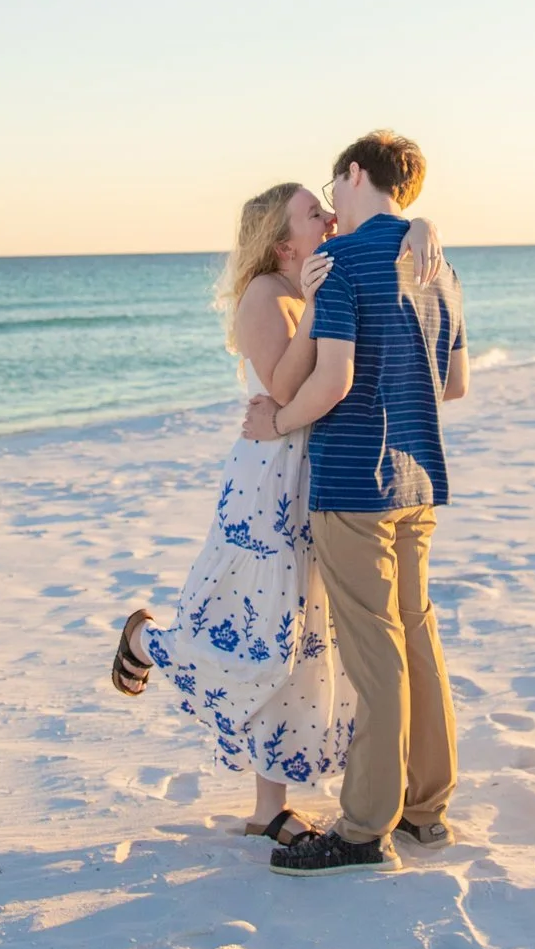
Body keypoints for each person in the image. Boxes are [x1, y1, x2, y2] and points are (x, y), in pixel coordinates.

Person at [107, 181, 446, 847]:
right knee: (260, 635)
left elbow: (390, 238)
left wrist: (421, 225)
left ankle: (267, 808)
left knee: (304, 641)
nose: (327, 213)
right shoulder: (266, 295)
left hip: (317, 470)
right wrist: (318, 305)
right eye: (311, 212)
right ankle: (145, 639)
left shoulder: (327, 271)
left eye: (326, 205)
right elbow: (285, 387)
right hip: (269, 477)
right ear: (282, 240)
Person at [241, 130, 468, 877]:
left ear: (355, 172)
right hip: (419, 482)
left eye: (334, 188)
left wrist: (277, 419)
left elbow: (331, 380)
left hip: (353, 485)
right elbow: (455, 382)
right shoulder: (440, 263)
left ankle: (368, 826)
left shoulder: (338, 264)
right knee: (418, 641)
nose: (331, 207)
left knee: (377, 658)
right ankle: (428, 812)